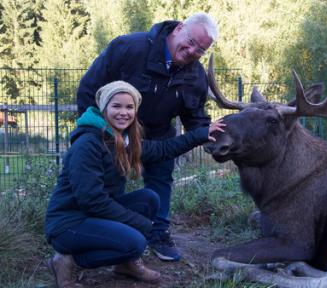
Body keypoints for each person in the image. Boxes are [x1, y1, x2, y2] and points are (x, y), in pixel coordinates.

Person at [45, 81, 224, 288]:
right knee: (135, 242)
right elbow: (92, 201)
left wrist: (201, 134)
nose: (123, 113)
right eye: (116, 106)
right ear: (104, 109)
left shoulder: (123, 141)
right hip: (68, 223)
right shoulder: (88, 144)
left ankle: (125, 265)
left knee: (149, 199)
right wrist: (139, 223)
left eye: (129, 107)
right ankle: (67, 261)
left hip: (92, 215)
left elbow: (164, 149)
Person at [76, 12, 219, 261]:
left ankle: (158, 233)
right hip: (113, 133)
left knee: (161, 181)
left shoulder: (195, 75)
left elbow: (194, 114)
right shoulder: (129, 48)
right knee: (110, 186)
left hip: (159, 133)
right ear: (179, 28)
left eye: (201, 50)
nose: (193, 51)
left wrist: (211, 137)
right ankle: (95, 233)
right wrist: (102, 133)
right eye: (192, 41)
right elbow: (89, 89)